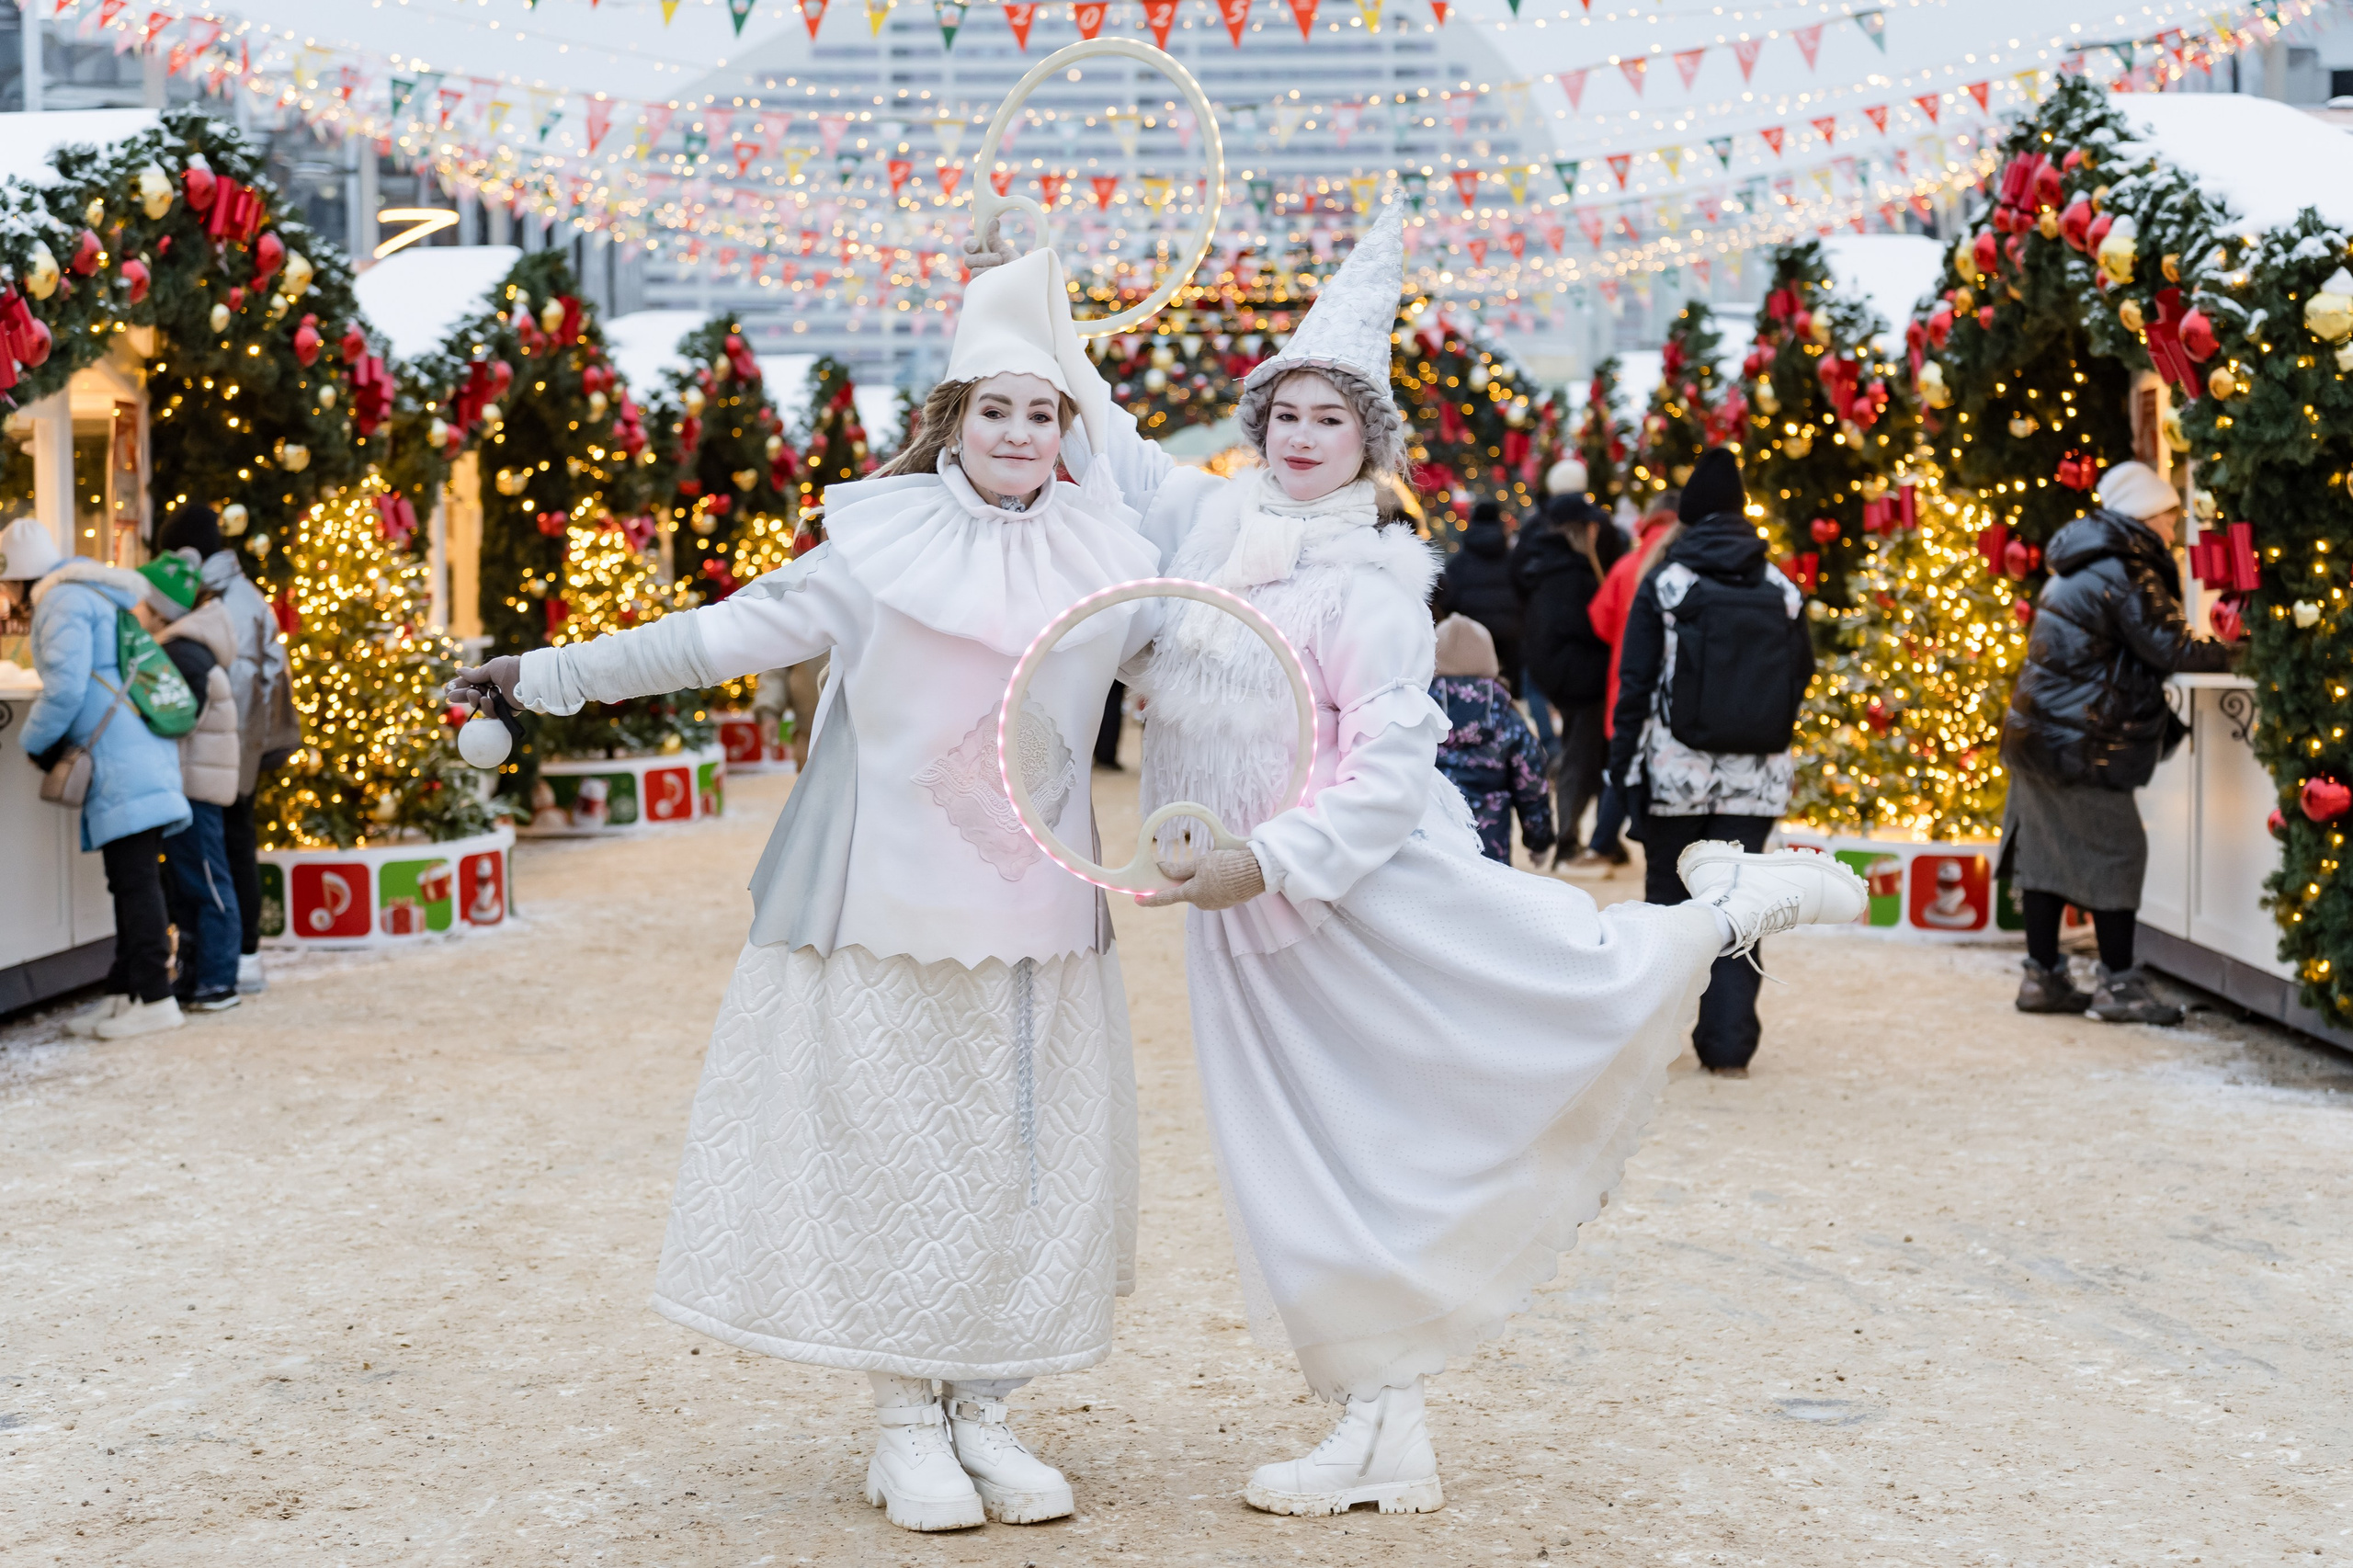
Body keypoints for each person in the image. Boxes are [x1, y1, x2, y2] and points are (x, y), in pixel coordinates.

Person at [1068, 209, 1868, 1516]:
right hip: (1248, 922)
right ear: (1260, 424)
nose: (1303, 435)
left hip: (1359, 901)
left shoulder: (1375, 589)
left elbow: (1387, 773)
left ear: (1370, 449)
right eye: (1287, 412)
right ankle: (1385, 1429)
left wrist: (1263, 861)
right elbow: (1110, 438)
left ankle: (1739, 902)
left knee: (1491, 1056)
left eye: (1333, 418)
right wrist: (1024, 294)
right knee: (1302, 1160)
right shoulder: (1212, 530)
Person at [448, 249, 1160, 1535]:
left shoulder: (1113, 559)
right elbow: (715, 637)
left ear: (1069, 429)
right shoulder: (874, 551)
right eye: (994, 407)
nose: (1017, 431)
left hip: (1043, 927)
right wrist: (538, 675)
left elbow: (1218, 666)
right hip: (881, 915)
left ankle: (987, 1407)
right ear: (951, 419)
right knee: (896, 1152)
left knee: (1021, 1157)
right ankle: (906, 1420)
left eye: (1042, 410)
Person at [1998, 460, 2232, 1023]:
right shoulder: (2126, 569)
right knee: (2117, 853)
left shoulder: (2083, 562)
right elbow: (2169, 647)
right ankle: (2119, 987)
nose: (2176, 532)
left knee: (2044, 860)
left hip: (2040, 735)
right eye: (2173, 519)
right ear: (2147, 517)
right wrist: (2244, 651)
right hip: (2080, 741)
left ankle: (2043, 977)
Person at [1607, 452, 1815, 1077]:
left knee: (1670, 903)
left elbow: (1636, 682)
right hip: (1755, 780)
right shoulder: (1781, 588)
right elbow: (1799, 676)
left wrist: (1623, 765)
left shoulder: (1668, 583)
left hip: (1675, 773)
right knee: (1740, 905)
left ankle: (1653, 1042)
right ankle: (1729, 1047)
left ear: (1689, 517)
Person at [8, 517, 193, 1040]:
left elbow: (65, 690)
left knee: (134, 880)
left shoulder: (61, 603)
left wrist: (33, 743)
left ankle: (156, 997)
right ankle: (123, 992)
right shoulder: (85, 592)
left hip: (119, 758)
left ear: (21, 577)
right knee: (128, 878)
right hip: (135, 749)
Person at [157, 506, 294, 997]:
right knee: (232, 847)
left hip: (222, 745)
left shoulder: (215, 599)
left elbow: (220, 675)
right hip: (239, 742)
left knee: (224, 851)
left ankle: (233, 961)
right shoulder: (244, 594)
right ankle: (238, 957)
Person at [136, 551, 246, 1013]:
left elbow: (179, 717)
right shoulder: (187, 643)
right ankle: (197, 975)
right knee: (189, 882)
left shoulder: (182, 650)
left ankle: (218, 978)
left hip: (196, 785)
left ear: (159, 608)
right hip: (194, 780)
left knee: (204, 880)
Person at [1514, 493, 1624, 865]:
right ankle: (1568, 839)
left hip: (1559, 670)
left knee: (1587, 751)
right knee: (1583, 753)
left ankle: (1589, 836)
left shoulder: (1543, 564)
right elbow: (1584, 624)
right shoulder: (1571, 571)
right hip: (1581, 674)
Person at [1428, 613, 1552, 863]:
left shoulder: (1416, 711)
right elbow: (1530, 780)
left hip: (1426, 846)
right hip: (1487, 849)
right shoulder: (1505, 714)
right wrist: (1539, 838)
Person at [1430, 499, 1521, 697]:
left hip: (1473, 632)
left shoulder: (1460, 561)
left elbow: (1448, 596)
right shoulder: (1512, 557)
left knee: (1477, 687)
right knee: (1510, 687)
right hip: (1511, 631)